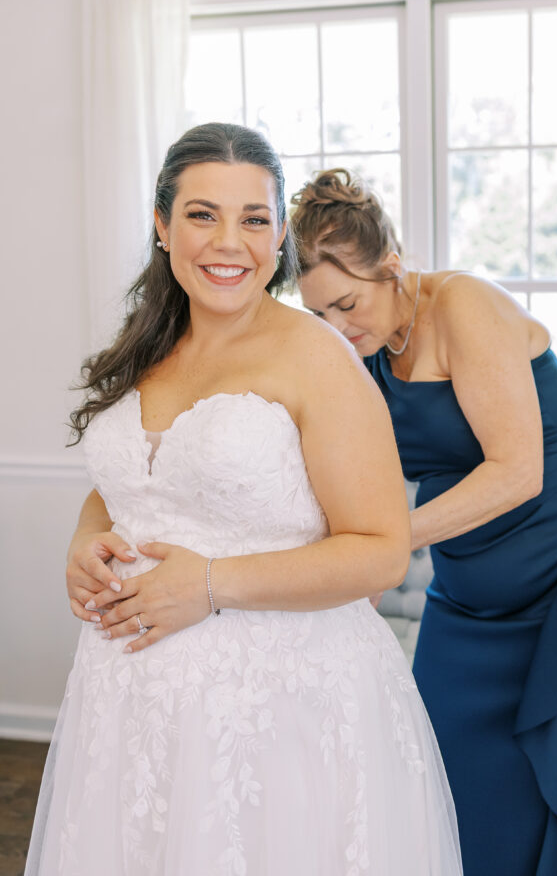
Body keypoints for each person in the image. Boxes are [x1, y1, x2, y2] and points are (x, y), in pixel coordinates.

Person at [25, 125, 462, 875]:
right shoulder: (149, 344)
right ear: (162, 227)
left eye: (254, 219)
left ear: (278, 237)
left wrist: (208, 584)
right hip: (130, 696)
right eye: (202, 215)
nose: (229, 242)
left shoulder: (315, 357)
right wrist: (85, 536)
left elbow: (380, 550)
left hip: (275, 711)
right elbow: (134, 480)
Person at [290, 167, 557, 876]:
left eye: (347, 304)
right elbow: (372, 475)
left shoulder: (463, 305)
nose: (338, 330)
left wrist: (382, 545)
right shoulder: (365, 352)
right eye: (320, 315)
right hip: (470, 591)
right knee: (442, 776)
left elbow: (515, 471)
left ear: (391, 264)